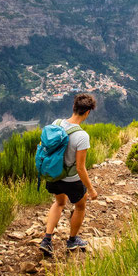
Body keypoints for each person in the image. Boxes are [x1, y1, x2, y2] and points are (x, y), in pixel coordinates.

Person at [39, 93, 98, 255]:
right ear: (87, 113)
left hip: (53, 175)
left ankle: (47, 239)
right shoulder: (82, 136)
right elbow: (80, 168)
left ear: (73, 108)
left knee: (59, 203)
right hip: (71, 180)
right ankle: (72, 240)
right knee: (80, 206)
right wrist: (91, 190)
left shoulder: (55, 123)